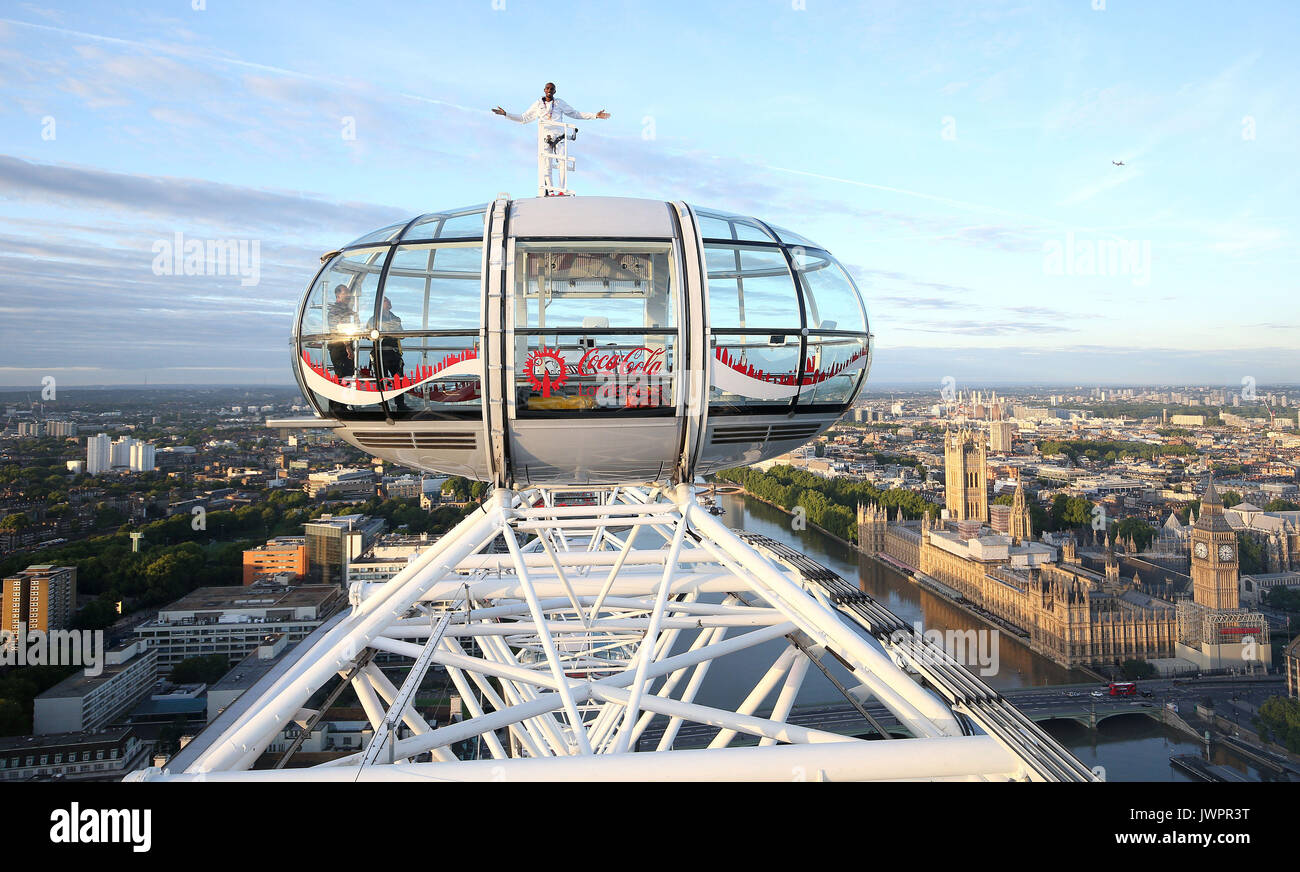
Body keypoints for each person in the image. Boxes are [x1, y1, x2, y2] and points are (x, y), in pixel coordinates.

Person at [493, 82, 610, 192]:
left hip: (559, 135)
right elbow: (524, 118)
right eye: (547, 88)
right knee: (546, 164)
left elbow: (575, 113)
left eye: (552, 89)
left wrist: (595, 115)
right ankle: (550, 190)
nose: (549, 90)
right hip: (545, 136)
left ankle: (562, 190)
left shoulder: (559, 103)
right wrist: (506, 114)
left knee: (563, 162)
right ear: (544, 90)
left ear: (555, 91)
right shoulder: (538, 104)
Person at [367, 296, 408, 411]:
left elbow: (402, 335)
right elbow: (369, 335)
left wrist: (387, 331)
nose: (389, 302)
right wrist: (389, 330)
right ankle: (384, 405)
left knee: (398, 379)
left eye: (388, 300)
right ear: (380, 305)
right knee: (381, 379)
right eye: (386, 301)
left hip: (394, 353)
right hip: (380, 353)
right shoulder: (373, 320)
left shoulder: (395, 319)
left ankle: (400, 404)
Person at [326, 284, 358, 412]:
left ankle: (342, 405)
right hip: (339, 347)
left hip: (343, 345)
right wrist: (347, 346)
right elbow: (340, 328)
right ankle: (337, 407)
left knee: (346, 376)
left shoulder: (345, 310)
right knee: (341, 375)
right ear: (338, 295)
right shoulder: (337, 310)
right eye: (346, 293)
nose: (348, 296)